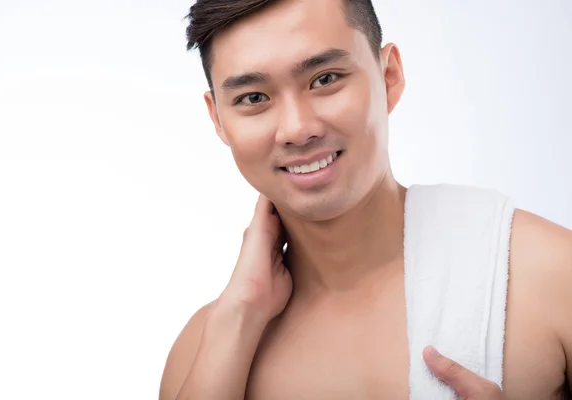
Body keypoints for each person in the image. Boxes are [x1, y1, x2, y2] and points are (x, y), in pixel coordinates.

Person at [159, 0, 572, 399]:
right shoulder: (204, 353)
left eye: (325, 79)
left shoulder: (549, 276)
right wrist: (237, 319)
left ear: (389, 76)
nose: (297, 129)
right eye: (253, 98)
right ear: (218, 119)